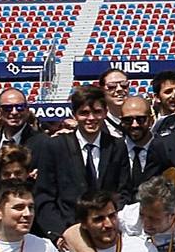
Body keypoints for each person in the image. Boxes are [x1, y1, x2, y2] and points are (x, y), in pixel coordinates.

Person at [35, 85, 129, 240]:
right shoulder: (55, 146)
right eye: (84, 113)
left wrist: (109, 222)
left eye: (97, 112)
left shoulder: (117, 146)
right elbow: (44, 196)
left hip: (108, 232)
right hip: (68, 232)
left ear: (105, 112)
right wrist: (60, 234)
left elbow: (123, 192)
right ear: (74, 115)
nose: (91, 118)